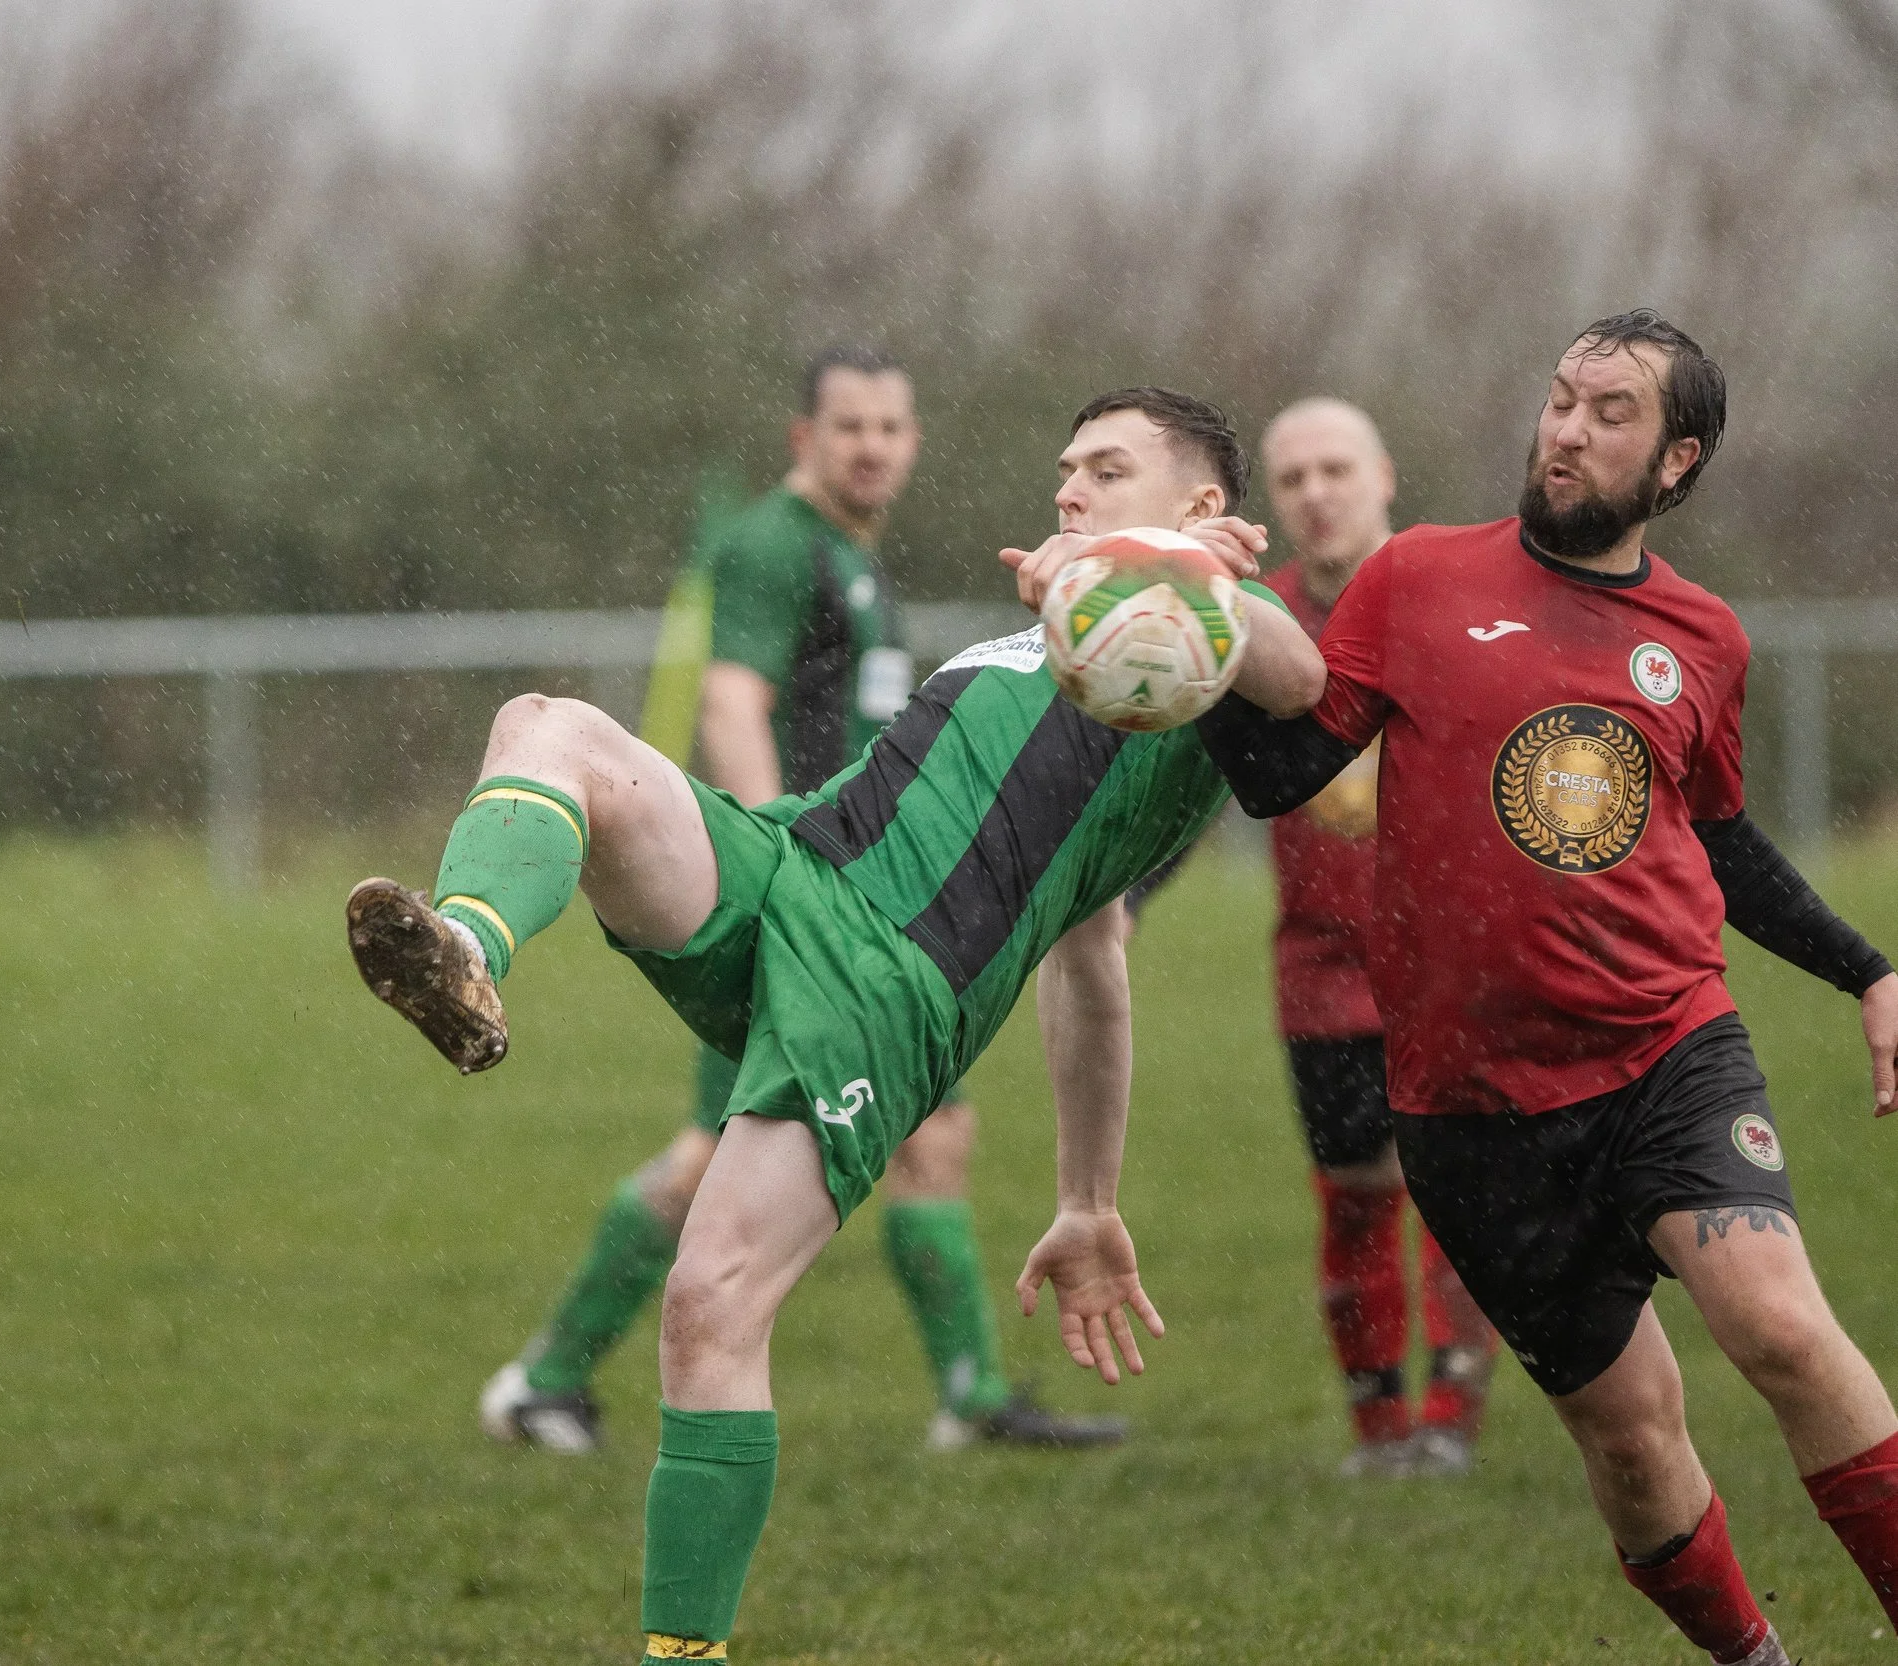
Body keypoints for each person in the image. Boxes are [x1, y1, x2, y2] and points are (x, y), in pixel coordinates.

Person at [347, 388, 1327, 1665]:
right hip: (787, 867)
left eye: (1105, 468)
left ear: (1203, 503)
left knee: (709, 1304)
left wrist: (1090, 1195)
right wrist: (1094, 579)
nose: (1069, 493)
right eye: (1064, 474)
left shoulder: (1199, 661)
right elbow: (1089, 955)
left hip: (889, 983)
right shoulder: (1057, 634)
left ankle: (679, 1654)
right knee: (549, 728)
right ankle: (468, 950)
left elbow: (1288, 686)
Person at [1180, 310, 1898, 1666]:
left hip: (1664, 1048)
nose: (1567, 429)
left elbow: (1720, 835)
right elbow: (1282, 773)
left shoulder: (1703, 638)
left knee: (1785, 1331)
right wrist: (1193, 645)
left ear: (1677, 459)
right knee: (1632, 1443)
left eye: (1610, 411)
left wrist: (1867, 969)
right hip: (1467, 1102)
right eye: (1562, 398)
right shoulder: (1414, 579)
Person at [479, 345, 1118, 1456]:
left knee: (934, 1139)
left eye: (889, 427)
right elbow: (732, 702)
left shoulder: (851, 558)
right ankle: (541, 1380)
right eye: (849, 426)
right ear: (802, 439)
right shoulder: (776, 544)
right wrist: (788, 866)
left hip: (877, 903)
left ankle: (970, 1399)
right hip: (815, 902)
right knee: (706, 1160)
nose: (871, 446)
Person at [1255, 398, 1498, 1476]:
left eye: (1334, 468)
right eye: (1293, 475)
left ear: (1384, 473)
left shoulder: (1449, 601)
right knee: (1354, 1191)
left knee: (1454, 1185)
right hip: (1318, 967)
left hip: (1450, 955)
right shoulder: (1248, 627)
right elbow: (1177, 781)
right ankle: (1377, 1430)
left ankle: (1449, 1419)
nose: (1316, 491)